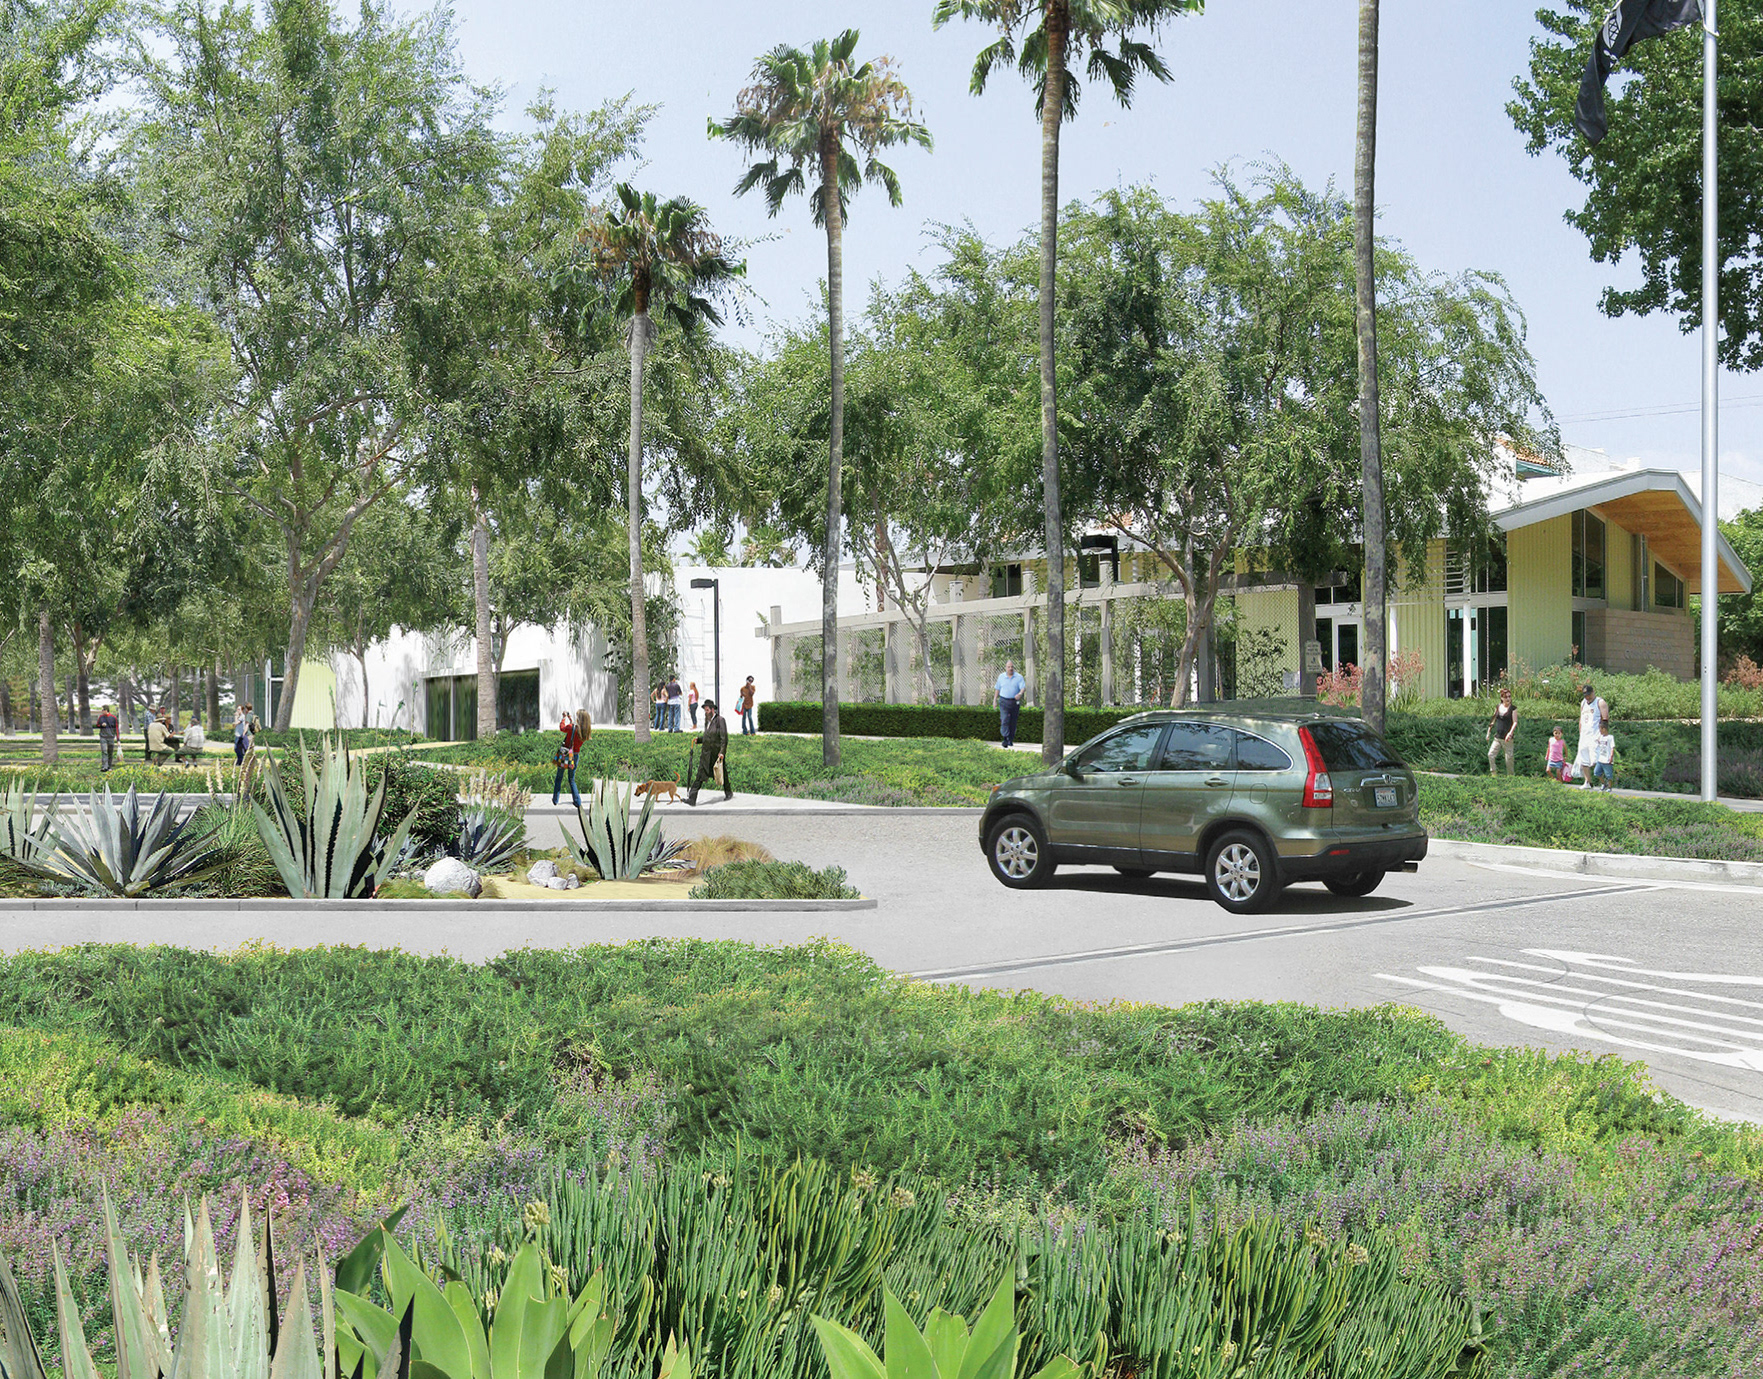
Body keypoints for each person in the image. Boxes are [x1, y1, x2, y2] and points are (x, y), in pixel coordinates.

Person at [686, 698, 732, 805]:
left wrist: (722, 752)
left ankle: (728, 793)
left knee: (722, 773)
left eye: (707, 710)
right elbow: (708, 736)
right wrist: (700, 740)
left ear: (712, 710)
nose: (705, 712)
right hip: (706, 754)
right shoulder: (708, 721)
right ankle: (692, 799)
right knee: (700, 775)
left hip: (715, 754)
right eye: (705, 710)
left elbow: (724, 738)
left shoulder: (720, 720)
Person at [1572, 682, 1609, 791]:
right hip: (1584, 735)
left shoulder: (1600, 702)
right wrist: (1580, 732)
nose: (1587, 697)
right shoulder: (1583, 703)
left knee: (1597, 760)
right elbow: (1581, 719)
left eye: (1589, 694)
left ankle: (1604, 782)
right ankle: (1588, 781)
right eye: (1585, 695)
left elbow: (1605, 719)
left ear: (1593, 692)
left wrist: (1603, 735)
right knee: (1584, 759)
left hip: (1596, 735)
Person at [552, 709, 585, 807]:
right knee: (571, 779)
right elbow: (573, 731)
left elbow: (562, 728)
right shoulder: (584, 731)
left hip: (565, 754)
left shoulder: (571, 728)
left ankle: (555, 800)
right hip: (575, 755)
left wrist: (563, 718)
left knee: (559, 777)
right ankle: (577, 801)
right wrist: (570, 719)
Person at [993, 658, 1027, 749]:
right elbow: (997, 689)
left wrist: (1020, 694)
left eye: (1012, 667)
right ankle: (1005, 738)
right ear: (1006, 668)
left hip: (1014, 702)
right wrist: (995, 700)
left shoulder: (1019, 677)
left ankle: (1010, 739)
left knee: (1013, 721)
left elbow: (1023, 688)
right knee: (1004, 720)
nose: (1010, 668)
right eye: (1009, 667)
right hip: (1004, 701)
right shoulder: (1001, 677)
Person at [1486, 688, 1517, 776]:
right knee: (1490, 754)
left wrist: (1510, 733)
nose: (1508, 699)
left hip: (1508, 739)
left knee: (1509, 759)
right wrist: (1488, 732)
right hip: (1497, 737)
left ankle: (1511, 777)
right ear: (1502, 698)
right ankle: (1494, 774)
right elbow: (1493, 720)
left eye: (1509, 697)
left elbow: (1515, 722)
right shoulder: (1498, 707)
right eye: (1506, 697)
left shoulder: (1513, 708)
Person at [1591, 716, 1617, 791]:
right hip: (1600, 759)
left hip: (1607, 759)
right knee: (1596, 772)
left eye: (1601, 729)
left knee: (1609, 775)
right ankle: (1603, 784)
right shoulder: (1600, 737)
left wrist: (1611, 757)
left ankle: (1609, 787)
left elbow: (1612, 747)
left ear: (1604, 729)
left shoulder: (1610, 737)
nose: (1600, 731)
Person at [95, 703, 120, 773]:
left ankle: (109, 766)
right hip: (103, 737)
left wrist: (118, 739)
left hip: (111, 737)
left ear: (106, 710)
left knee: (110, 752)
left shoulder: (113, 718)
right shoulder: (100, 717)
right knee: (104, 751)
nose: (102, 711)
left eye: (102, 710)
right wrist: (101, 725)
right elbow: (97, 725)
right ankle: (104, 767)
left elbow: (117, 729)